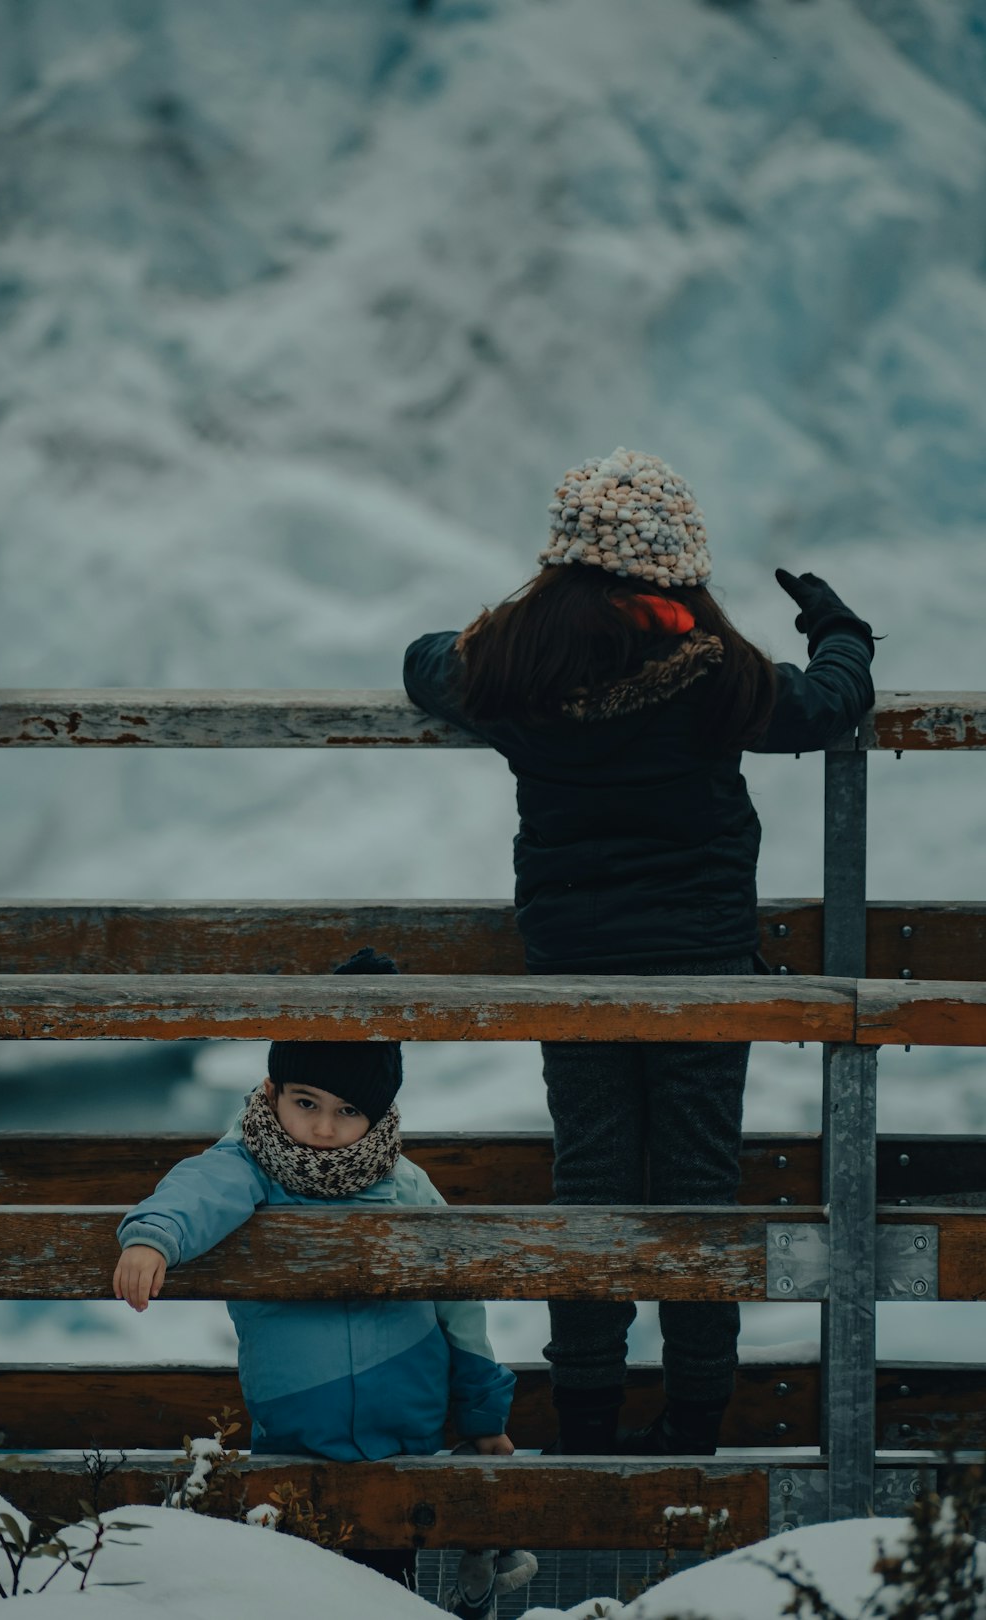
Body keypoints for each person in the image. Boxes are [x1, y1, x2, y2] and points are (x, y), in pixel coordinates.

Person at [403, 446, 876, 1459]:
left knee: (593, 1180)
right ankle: (692, 1426)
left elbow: (422, 660)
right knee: (700, 1186)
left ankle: (580, 1425)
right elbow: (831, 702)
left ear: (566, 564)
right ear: (679, 572)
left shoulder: (512, 672)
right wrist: (838, 626)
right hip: (703, 971)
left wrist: (496, 631)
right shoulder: (717, 676)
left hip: (573, 971)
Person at [114, 946, 536, 1616]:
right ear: (275, 1092)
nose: (320, 1128)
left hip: (402, 1438)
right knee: (298, 1594)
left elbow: (461, 1301)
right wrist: (152, 1237)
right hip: (294, 1441)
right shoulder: (251, 1163)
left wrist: (483, 1416)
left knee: (385, 1594)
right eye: (305, 1101)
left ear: (375, 1115)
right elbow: (199, 1187)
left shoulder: (405, 1187)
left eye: (346, 1112)